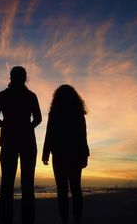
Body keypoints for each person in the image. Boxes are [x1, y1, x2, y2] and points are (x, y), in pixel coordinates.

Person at [0, 66, 42, 224]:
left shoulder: (3, 95)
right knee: (27, 185)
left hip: (9, 141)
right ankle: (27, 220)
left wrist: (5, 126)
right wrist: (28, 127)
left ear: (11, 77)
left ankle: (5, 220)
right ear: (24, 77)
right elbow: (38, 118)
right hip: (26, 141)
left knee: (7, 183)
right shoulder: (30, 96)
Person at [42, 85, 89, 224]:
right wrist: (85, 154)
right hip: (75, 154)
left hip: (59, 154)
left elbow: (49, 133)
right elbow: (83, 135)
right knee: (76, 187)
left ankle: (64, 219)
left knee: (62, 189)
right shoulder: (78, 112)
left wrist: (45, 153)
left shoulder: (55, 112)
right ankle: (77, 217)